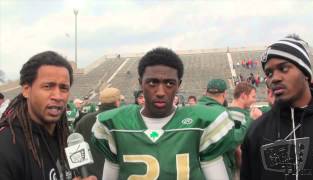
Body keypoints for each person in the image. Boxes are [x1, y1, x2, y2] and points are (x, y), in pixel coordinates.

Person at [92, 47, 250, 179]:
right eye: (152, 82)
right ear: (141, 83)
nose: (160, 92)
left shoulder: (201, 123)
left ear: (178, 85)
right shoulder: (116, 124)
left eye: (169, 83)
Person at [0, 51, 96, 180]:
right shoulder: (7, 144)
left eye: (64, 88)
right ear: (27, 90)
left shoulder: (66, 139)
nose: (57, 96)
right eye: (47, 86)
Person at [241, 35, 313, 180]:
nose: (274, 78)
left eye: (283, 68)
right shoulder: (257, 130)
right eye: (269, 73)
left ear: (306, 74)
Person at [198, 79, 253, 179]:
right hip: (215, 164)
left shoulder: (193, 108)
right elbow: (233, 141)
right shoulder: (221, 113)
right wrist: (250, 120)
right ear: (224, 94)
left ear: (206, 92)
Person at [75, 87, 121, 180]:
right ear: (117, 102)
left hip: (91, 176)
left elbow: (76, 152)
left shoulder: (84, 120)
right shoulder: (123, 120)